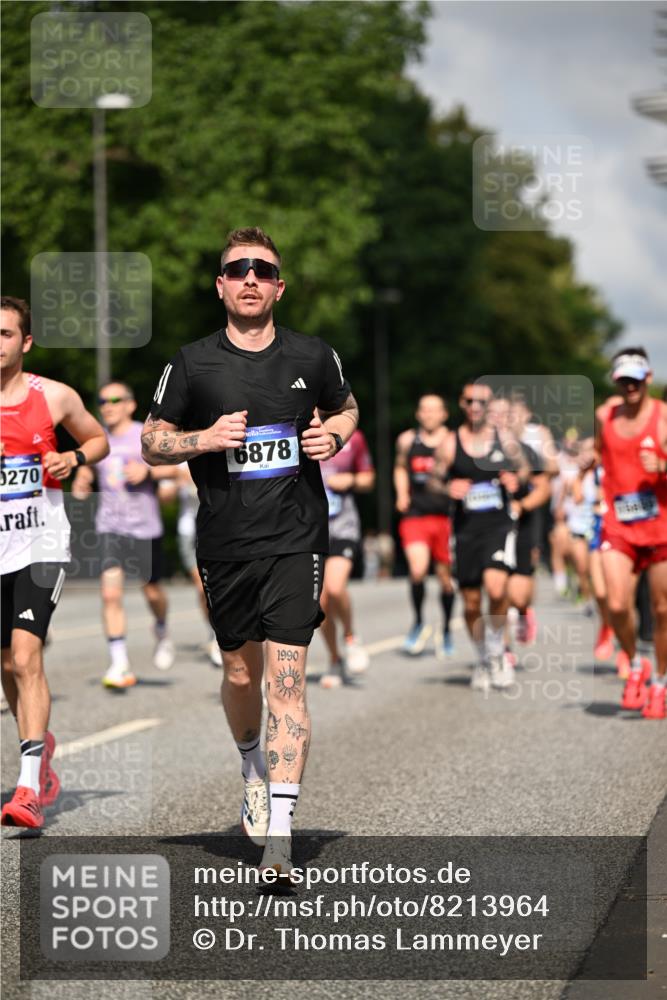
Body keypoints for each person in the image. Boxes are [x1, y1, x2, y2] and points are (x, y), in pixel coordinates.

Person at [141, 227, 358, 874]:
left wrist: (334, 437)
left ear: (278, 287)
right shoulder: (191, 363)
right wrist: (204, 439)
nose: (250, 279)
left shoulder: (313, 355)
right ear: (221, 285)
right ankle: (250, 767)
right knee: (241, 674)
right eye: (237, 270)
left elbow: (346, 408)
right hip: (225, 542)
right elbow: (151, 442)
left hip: (297, 537)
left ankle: (280, 838)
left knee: (286, 681)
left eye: (262, 270)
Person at [1, 296, 108, 828]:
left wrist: (73, 457)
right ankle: (38, 751)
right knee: (6, 664)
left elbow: (98, 438)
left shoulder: (55, 396)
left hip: (42, 544)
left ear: (26, 342)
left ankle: (26, 789)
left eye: (4, 334)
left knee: (26, 657)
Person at [72, 383, 177, 688]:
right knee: (110, 594)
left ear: (130, 405)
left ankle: (161, 628)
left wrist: (149, 473)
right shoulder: (98, 438)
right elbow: (87, 469)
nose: (108, 406)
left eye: (115, 400)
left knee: (152, 591)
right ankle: (119, 663)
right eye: (102, 400)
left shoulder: (144, 434)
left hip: (144, 527)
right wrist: (81, 481)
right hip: (110, 527)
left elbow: (178, 470)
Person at [432, 384, 529, 691]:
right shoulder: (450, 442)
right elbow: (433, 480)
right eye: (470, 401)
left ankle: (498, 650)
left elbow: (526, 470)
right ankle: (483, 657)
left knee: (496, 588)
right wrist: (447, 488)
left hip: (498, 525)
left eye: (482, 401)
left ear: (489, 405)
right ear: (461, 403)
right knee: (472, 602)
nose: (475, 406)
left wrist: (516, 479)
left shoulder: (505, 439)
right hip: (465, 530)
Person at [597, 348, 667, 719]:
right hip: (618, 524)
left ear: (648, 379)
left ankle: (660, 683)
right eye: (623, 380)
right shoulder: (605, 416)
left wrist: (663, 466)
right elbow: (597, 454)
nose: (630, 387)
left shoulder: (663, 418)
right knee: (617, 604)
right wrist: (584, 468)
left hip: (661, 527)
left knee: (662, 609)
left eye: (635, 380)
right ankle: (635, 662)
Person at [394, 395, 456, 657]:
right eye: (424, 410)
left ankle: (447, 629)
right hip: (416, 515)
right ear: (418, 414)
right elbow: (400, 468)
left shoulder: (453, 441)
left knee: (445, 580)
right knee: (418, 570)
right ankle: (419, 621)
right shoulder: (407, 440)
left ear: (444, 414)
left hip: (446, 517)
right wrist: (401, 493)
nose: (429, 414)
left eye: (434, 410)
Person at [318, 428, 375, 686]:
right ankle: (334, 659)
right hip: (310, 530)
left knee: (335, 586)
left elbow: (368, 479)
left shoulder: (354, 436)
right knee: (320, 603)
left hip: (343, 527)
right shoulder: (296, 431)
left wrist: (350, 479)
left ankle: (351, 637)